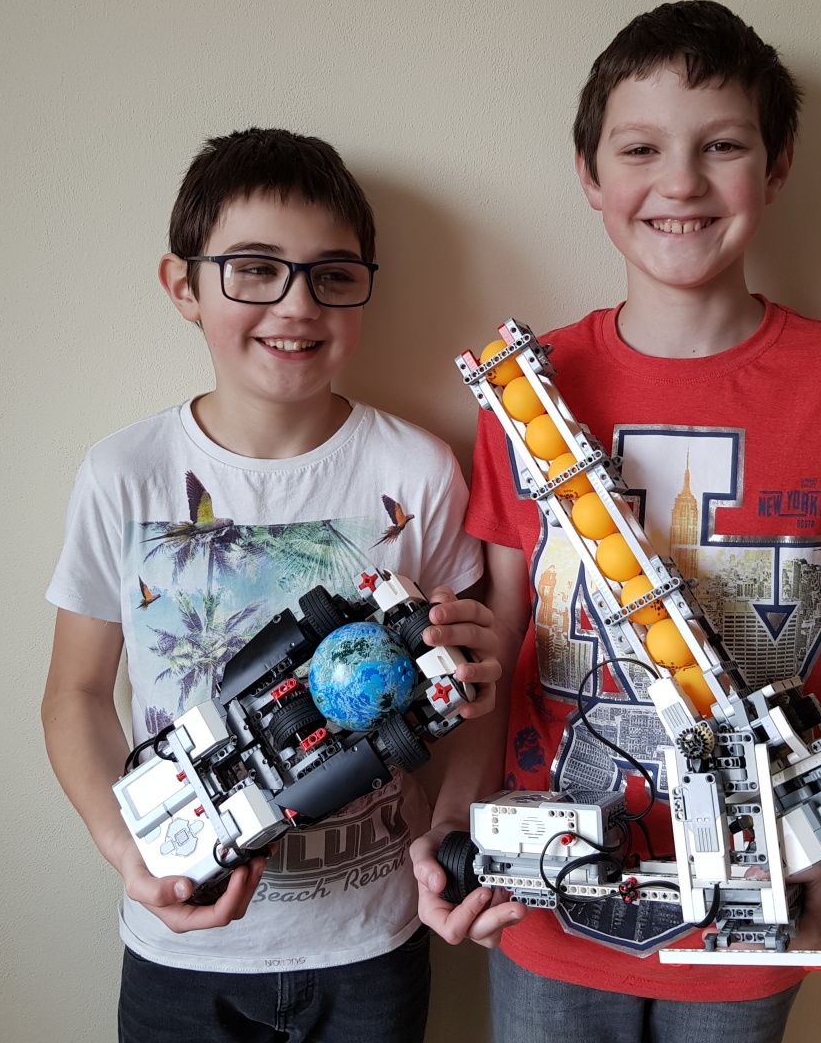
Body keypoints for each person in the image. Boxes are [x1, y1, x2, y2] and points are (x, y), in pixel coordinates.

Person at [412, 1, 821, 1043]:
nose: (680, 184)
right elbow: (503, 636)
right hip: (549, 912)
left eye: (722, 147)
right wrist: (453, 824)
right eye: (640, 150)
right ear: (589, 174)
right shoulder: (526, 393)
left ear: (777, 166)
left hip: (750, 920)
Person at [42, 127, 503, 1042]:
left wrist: (459, 779)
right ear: (184, 285)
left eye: (332, 275)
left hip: (371, 940)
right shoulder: (125, 473)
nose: (297, 304)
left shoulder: (417, 470)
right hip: (181, 945)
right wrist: (130, 850)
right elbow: (75, 694)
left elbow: (472, 697)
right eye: (255, 270)